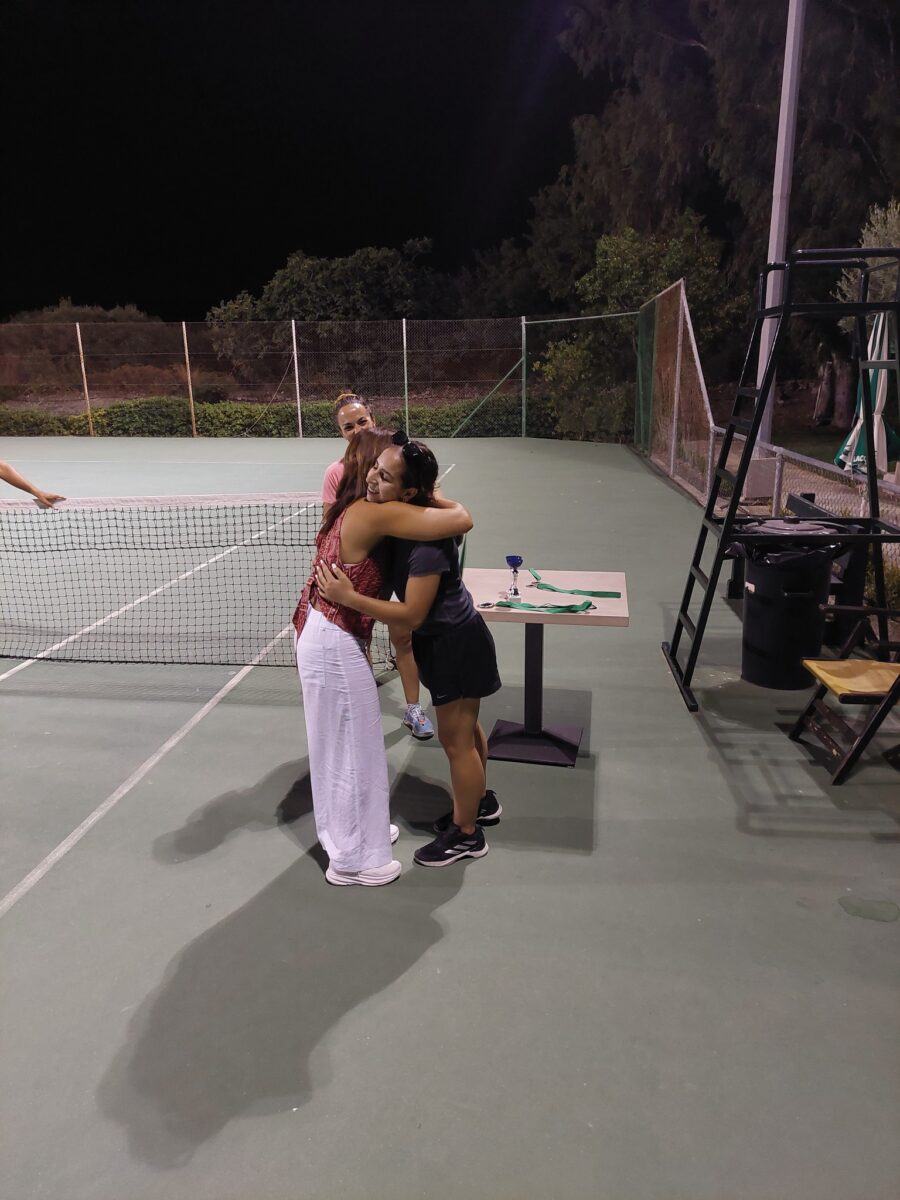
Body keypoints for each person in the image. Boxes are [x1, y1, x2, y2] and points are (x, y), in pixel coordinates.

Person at [294, 428, 474, 887]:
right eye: (376, 466)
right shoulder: (375, 513)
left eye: (386, 473)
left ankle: (354, 833)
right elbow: (461, 519)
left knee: (341, 749)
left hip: (325, 633)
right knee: (354, 749)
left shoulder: (355, 506)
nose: (375, 475)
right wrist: (428, 494)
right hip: (333, 639)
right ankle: (355, 861)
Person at [322, 392, 434, 742]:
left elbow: (424, 501)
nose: (356, 430)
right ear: (341, 432)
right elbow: (331, 525)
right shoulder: (336, 473)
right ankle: (365, 703)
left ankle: (413, 709)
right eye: (348, 427)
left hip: (399, 560)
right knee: (361, 636)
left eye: (362, 422)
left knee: (403, 636)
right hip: (365, 567)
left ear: (372, 419)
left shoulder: (396, 460)